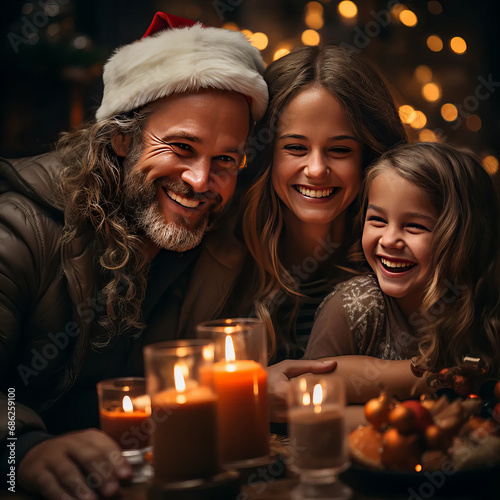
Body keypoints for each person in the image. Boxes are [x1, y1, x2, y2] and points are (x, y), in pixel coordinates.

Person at [0, 12, 269, 500]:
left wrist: (263, 387)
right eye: (181, 147)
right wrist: (21, 449)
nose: (200, 181)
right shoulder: (20, 230)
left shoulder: (221, 250)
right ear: (123, 138)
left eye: (225, 159)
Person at [211, 45, 407, 422]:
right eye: (296, 147)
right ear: (266, 155)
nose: (316, 170)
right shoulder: (221, 259)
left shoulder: (396, 262)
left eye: (339, 150)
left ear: (369, 158)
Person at [305, 142, 500, 403]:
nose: (388, 240)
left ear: (464, 239)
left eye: (415, 226)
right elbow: (306, 397)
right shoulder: (354, 307)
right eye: (378, 220)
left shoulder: (486, 312)